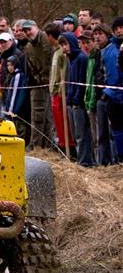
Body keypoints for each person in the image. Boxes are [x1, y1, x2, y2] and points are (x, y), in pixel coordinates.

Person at [61, 32, 95, 167]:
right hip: (71, 101)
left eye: (65, 44)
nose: (64, 47)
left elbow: (81, 81)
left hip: (78, 103)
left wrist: (76, 99)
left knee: (82, 134)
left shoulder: (81, 58)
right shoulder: (70, 59)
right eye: (62, 45)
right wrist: (69, 99)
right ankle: (80, 159)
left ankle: (85, 161)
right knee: (75, 134)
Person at [22, 19, 55, 150]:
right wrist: (39, 79)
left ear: (36, 27)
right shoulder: (29, 47)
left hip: (54, 83)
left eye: (29, 29)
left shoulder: (48, 40)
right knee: (39, 116)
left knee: (48, 116)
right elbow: (32, 67)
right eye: (25, 31)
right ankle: (39, 145)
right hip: (40, 84)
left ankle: (46, 144)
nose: (28, 33)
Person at [45, 22, 74, 156]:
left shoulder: (62, 53)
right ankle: (62, 145)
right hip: (54, 92)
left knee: (64, 122)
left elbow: (65, 71)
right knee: (58, 122)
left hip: (61, 92)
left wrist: (62, 89)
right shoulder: (56, 52)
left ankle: (69, 149)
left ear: (51, 36)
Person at [80, 30, 107, 165]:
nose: (85, 46)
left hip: (97, 100)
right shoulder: (89, 59)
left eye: (88, 42)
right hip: (89, 100)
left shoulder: (97, 57)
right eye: (83, 43)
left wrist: (93, 99)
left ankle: (101, 162)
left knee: (99, 135)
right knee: (93, 135)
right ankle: (97, 161)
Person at [101, 17, 123, 161]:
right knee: (116, 131)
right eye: (116, 29)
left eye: (121, 27)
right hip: (114, 96)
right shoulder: (110, 50)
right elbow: (110, 76)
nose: (119, 31)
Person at [1, 55, 31, 144]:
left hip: (18, 110)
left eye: (11, 65)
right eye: (8, 65)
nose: (9, 67)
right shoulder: (12, 76)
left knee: (20, 129)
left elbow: (15, 94)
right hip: (13, 109)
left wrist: (11, 110)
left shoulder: (18, 76)